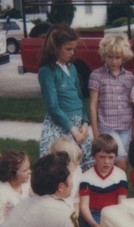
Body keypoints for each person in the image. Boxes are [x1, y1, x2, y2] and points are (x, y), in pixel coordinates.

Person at [38, 23, 93, 171]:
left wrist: (85, 123)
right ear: (55, 47)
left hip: (78, 125)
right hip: (61, 124)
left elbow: (80, 97)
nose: (72, 52)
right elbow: (53, 107)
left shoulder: (72, 68)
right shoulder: (47, 71)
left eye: (73, 49)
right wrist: (73, 130)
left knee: (87, 164)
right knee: (57, 166)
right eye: (68, 49)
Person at [88, 33, 134, 171]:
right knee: (121, 162)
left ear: (124, 57)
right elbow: (93, 105)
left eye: (117, 57)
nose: (114, 61)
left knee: (118, 162)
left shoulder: (129, 77)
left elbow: (131, 105)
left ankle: (116, 189)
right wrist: (96, 131)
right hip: (107, 127)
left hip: (125, 127)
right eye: (110, 57)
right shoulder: (97, 75)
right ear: (104, 55)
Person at [79, 134, 128, 227]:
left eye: (111, 157)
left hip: (114, 212)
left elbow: (122, 203)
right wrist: (93, 224)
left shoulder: (120, 175)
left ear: (116, 156)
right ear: (94, 156)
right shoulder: (86, 177)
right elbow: (84, 206)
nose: (107, 161)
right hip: (94, 214)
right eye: (102, 157)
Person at [50, 137, 83, 216]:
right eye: (74, 161)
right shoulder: (51, 177)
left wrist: (75, 215)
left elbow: (76, 198)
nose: (78, 163)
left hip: (70, 209)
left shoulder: (77, 171)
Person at [0, 150, 31, 218]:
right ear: (12, 175)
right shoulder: (1, 190)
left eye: (29, 168)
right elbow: (2, 218)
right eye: (25, 170)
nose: (29, 171)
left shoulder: (28, 180)